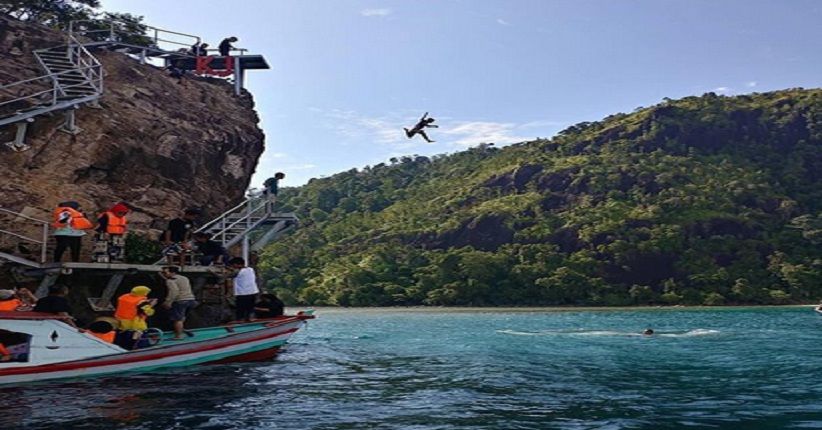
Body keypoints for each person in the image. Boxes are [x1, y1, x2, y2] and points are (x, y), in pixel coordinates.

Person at [160, 266, 197, 340]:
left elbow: (174, 292)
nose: (164, 274)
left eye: (165, 273)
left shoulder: (170, 281)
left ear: (172, 273)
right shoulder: (184, 278)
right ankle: (182, 330)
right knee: (182, 317)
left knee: (177, 319)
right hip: (191, 299)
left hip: (180, 300)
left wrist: (168, 302)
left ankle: (179, 336)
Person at [229, 257, 259, 322]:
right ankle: (249, 319)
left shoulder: (238, 271)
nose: (233, 267)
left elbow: (228, 275)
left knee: (240, 309)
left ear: (237, 264)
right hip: (252, 292)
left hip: (243, 293)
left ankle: (240, 320)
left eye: (233, 265)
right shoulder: (250, 269)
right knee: (249, 308)